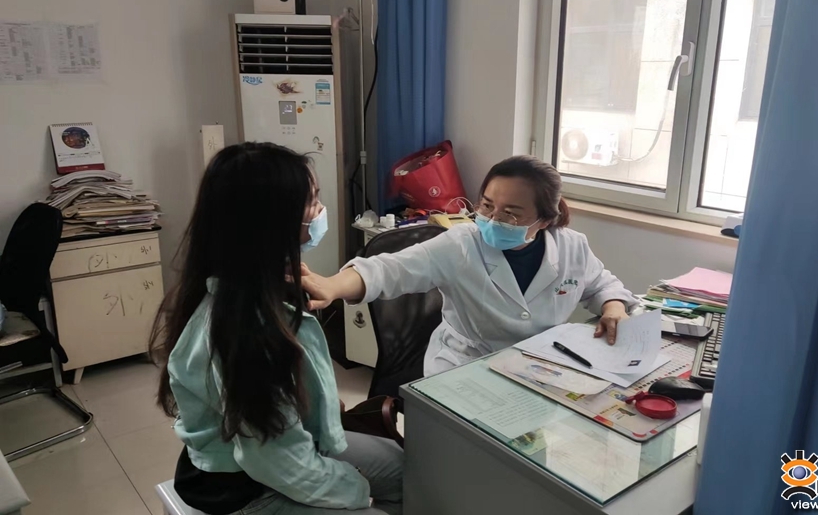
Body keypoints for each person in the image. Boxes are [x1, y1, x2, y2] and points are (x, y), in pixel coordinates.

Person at [149, 143, 402, 515]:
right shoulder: (246, 330)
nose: (320, 211)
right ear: (272, 221)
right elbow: (277, 463)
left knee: (405, 469)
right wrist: (357, 489)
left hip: (278, 447)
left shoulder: (244, 284)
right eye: (311, 202)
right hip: (248, 485)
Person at [302, 155, 638, 376]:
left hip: (538, 366)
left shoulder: (571, 246)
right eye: (487, 205)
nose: (492, 219)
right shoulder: (461, 244)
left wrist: (613, 307)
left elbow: (601, 284)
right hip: (465, 367)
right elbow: (388, 270)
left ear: (545, 219)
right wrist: (332, 286)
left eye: (511, 213)